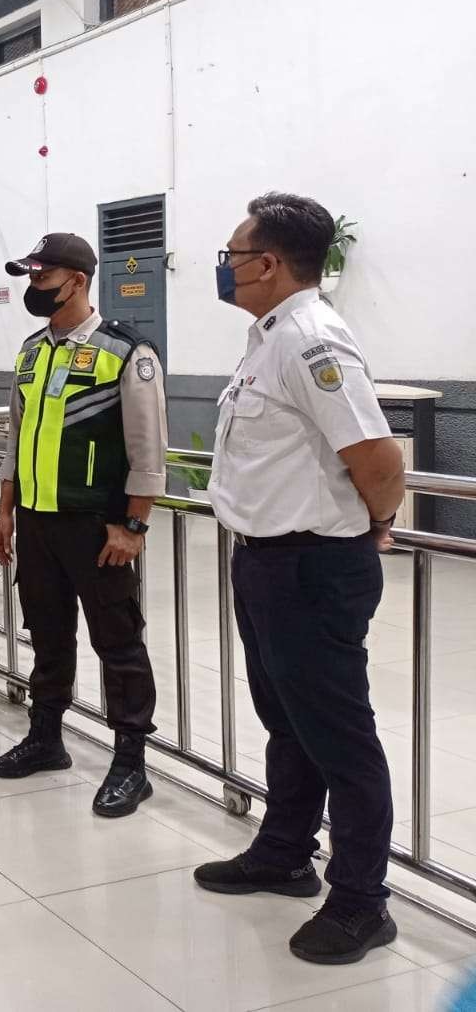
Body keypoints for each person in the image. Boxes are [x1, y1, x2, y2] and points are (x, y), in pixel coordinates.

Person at [194, 194, 404, 964]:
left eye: (233, 254)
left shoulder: (312, 339)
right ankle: (285, 852)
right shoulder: (268, 338)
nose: (227, 266)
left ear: (270, 263)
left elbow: (378, 460)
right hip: (266, 558)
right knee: (290, 721)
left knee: (340, 736)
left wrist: (374, 525)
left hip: (312, 565)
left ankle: (361, 900)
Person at [0, 233, 166, 818]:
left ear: (79, 281)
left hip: (97, 527)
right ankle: (46, 737)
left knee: (116, 641)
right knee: (46, 631)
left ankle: (131, 762)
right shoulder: (33, 351)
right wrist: (5, 508)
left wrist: (132, 526)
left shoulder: (126, 351)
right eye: (31, 280)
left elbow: (148, 452)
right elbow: (16, 436)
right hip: (38, 522)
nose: (33, 290)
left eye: (42, 279)